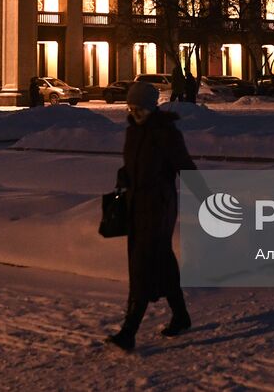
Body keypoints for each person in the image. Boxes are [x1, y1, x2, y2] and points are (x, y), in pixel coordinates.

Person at [107, 80, 196, 352]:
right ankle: (181, 317)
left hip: (159, 208)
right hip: (136, 207)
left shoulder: (165, 132)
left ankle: (129, 331)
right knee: (164, 264)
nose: (135, 113)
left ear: (151, 108)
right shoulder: (133, 132)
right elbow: (129, 166)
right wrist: (123, 179)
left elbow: (185, 165)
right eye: (131, 108)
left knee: (142, 267)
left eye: (140, 109)